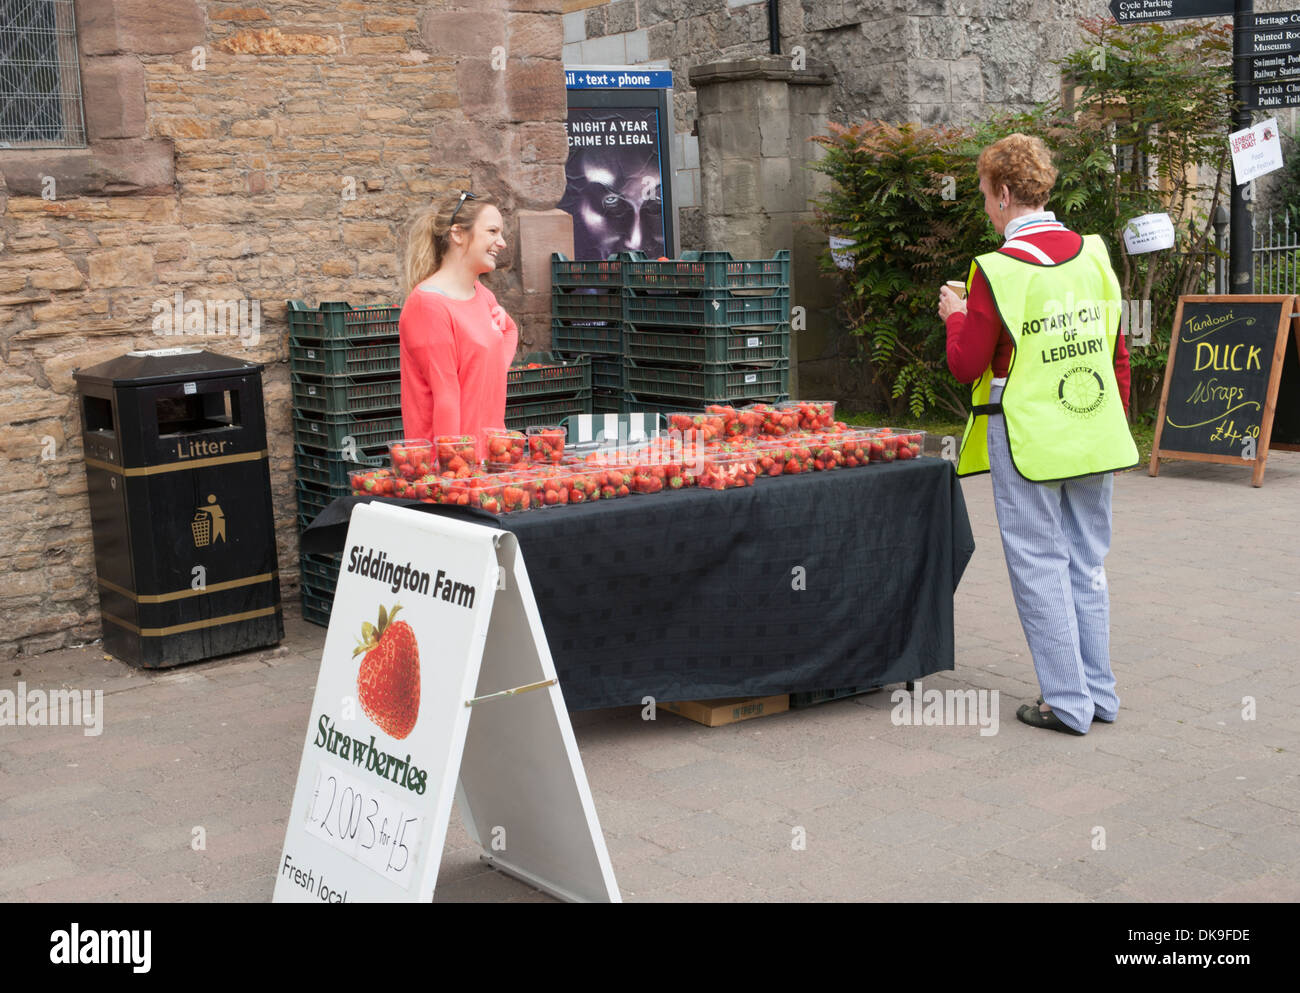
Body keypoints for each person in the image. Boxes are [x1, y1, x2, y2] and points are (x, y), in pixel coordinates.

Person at [938, 133, 1139, 736]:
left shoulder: (995, 272)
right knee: (1087, 560)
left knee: (1038, 563)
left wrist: (955, 317)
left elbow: (967, 365)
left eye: (983, 196)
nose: (984, 207)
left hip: (1024, 432)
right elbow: (1117, 352)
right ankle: (1100, 695)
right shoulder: (1096, 255)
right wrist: (1115, 421)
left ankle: (1065, 702)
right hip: (1093, 425)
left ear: (1003, 193)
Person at [399, 191, 519, 459]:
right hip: (449, 468)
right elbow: (446, 398)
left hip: (490, 460)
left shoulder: (483, 295)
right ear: (457, 234)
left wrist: (496, 361)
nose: (502, 243)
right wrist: (454, 468)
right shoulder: (427, 305)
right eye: (492, 231)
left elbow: (507, 336)